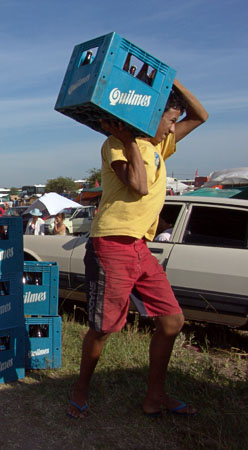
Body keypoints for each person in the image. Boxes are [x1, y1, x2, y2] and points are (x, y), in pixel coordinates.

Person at [67, 80, 208, 419]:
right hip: (111, 243)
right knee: (103, 328)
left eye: (175, 122)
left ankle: (154, 396)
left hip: (140, 247)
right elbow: (139, 185)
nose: (173, 127)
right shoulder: (115, 143)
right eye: (169, 120)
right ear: (151, 118)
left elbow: (200, 115)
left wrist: (170, 80)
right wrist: (130, 139)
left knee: (172, 321)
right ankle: (79, 394)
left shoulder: (160, 145)